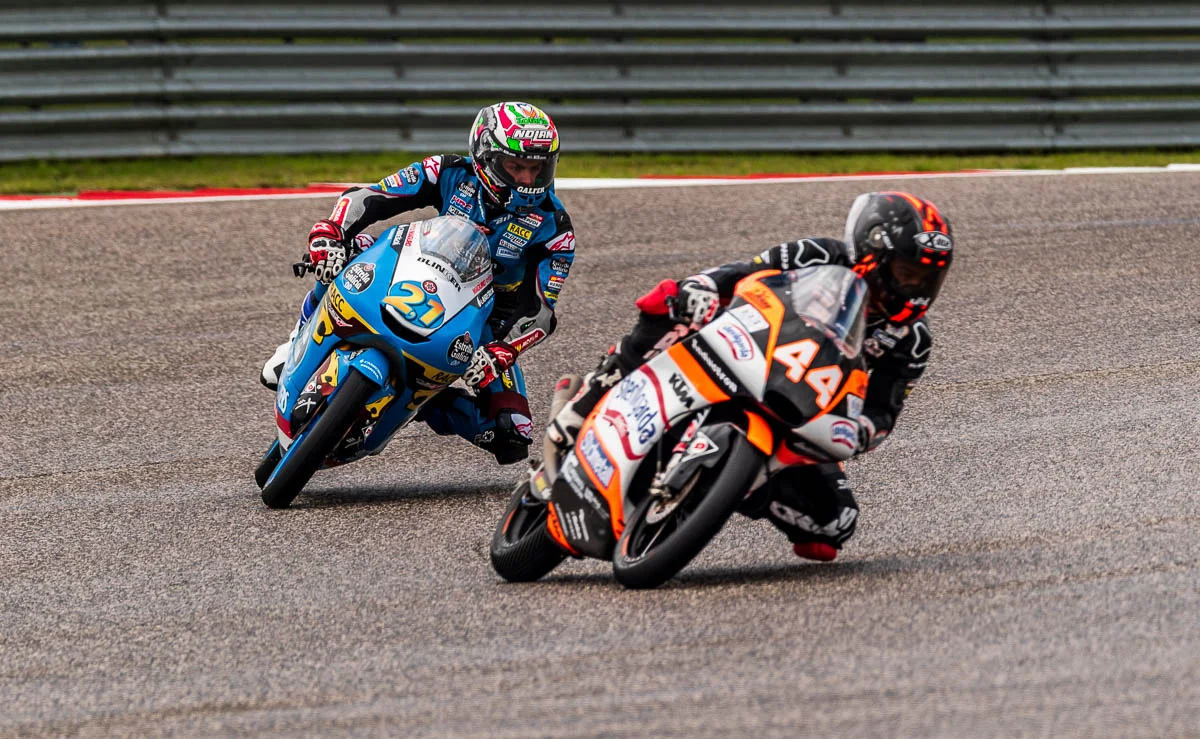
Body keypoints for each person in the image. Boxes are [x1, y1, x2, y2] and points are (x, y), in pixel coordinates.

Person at [547, 191, 953, 561]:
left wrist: (863, 431)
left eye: (927, 279)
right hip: (740, 348)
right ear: (872, 253)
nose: (917, 289)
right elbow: (745, 272)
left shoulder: (912, 340)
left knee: (834, 526)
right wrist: (701, 288)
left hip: (802, 408)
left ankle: (735, 485)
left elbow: (884, 409)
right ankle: (586, 403)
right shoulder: (819, 255)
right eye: (907, 273)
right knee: (666, 304)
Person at [261, 102, 576, 465]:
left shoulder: (556, 229)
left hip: (484, 321)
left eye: (536, 168)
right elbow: (371, 197)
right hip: (419, 272)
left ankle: (421, 400)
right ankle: (298, 338)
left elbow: (540, 311)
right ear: (486, 156)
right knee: (348, 249)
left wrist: (504, 349)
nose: (527, 179)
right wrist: (330, 232)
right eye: (515, 166)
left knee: (512, 434)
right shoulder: (447, 171)